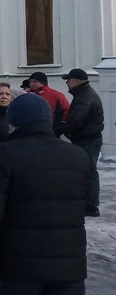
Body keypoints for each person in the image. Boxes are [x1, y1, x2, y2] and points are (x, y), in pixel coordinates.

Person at [0, 94, 93, 295]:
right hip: (69, 265)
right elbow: (84, 204)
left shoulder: (3, 154)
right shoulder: (78, 155)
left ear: (14, 121)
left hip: (16, 267)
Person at [62, 69, 104, 217]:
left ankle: (91, 206)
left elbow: (77, 118)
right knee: (85, 169)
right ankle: (86, 203)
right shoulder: (84, 93)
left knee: (89, 171)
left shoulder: (85, 95)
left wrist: (64, 128)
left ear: (78, 80)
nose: (67, 82)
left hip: (88, 139)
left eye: (69, 79)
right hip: (87, 138)